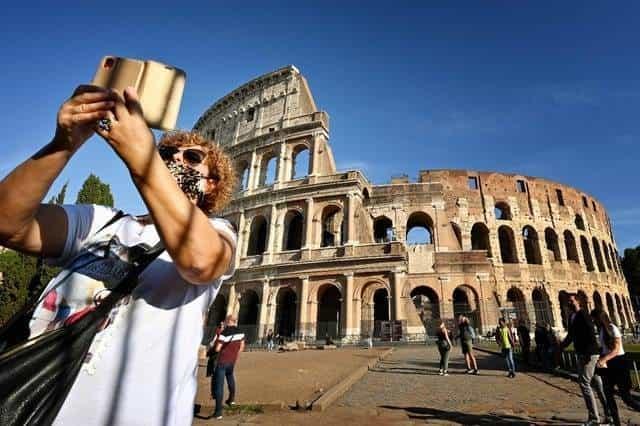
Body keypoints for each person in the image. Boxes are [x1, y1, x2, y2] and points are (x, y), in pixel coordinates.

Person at [0, 86, 237, 426]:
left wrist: (144, 159)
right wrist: (63, 144)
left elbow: (200, 260)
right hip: (33, 408)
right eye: (167, 151)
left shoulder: (218, 231)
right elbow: (7, 224)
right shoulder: (100, 220)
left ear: (212, 184)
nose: (173, 160)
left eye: (192, 158)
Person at [560, 294, 611, 426]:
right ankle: (609, 414)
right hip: (583, 353)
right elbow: (571, 336)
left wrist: (589, 353)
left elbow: (590, 333)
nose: (569, 303)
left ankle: (594, 418)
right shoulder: (571, 317)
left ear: (578, 301)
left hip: (589, 354)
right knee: (598, 385)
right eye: (568, 301)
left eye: (571, 301)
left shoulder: (584, 314)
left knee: (584, 383)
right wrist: (561, 347)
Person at [592, 309, 640, 426]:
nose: (593, 321)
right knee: (608, 395)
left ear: (600, 318)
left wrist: (603, 359)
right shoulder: (602, 330)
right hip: (608, 364)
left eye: (594, 319)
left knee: (626, 398)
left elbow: (616, 350)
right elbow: (605, 348)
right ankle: (616, 422)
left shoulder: (612, 328)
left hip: (619, 363)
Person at [213, 315, 245, 420]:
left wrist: (213, 348)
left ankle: (218, 412)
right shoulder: (241, 332)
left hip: (222, 361)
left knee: (219, 385)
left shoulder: (224, 333)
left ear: (228, 321)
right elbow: (242, 346)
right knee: (230, 378)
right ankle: (231, 400)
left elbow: (217, 349)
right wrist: (235, 354)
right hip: (232, 361)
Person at [207, 322, 225, 399]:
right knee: (215, 375)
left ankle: (216, 393)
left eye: (222, 325)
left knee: (218, 375)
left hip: (221, 353)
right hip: (216, 353)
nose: (221, 326)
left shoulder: (226, 332)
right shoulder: (218, 331)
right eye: (220, 324)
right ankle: (214, 393)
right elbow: (213, 340)